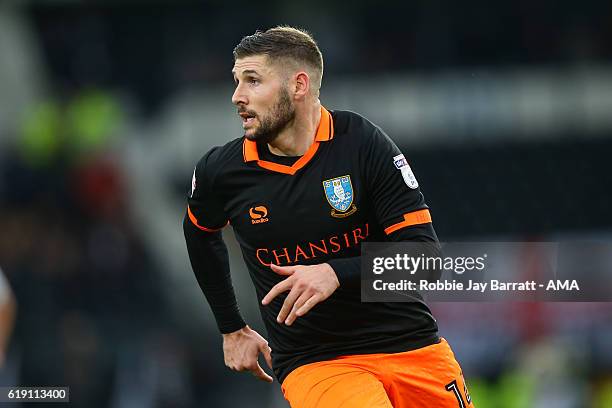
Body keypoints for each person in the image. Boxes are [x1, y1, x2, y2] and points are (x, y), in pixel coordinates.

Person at [183, 26, 473, 408]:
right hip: (318, 362)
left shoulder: (361, 144)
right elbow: (199, 233)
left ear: (299, 85)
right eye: (237, 81)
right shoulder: (223, 171)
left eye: (252, 81)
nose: (237, 96)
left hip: (412, 346)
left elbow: (425, 262)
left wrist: (336, 272)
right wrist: (231, 327)